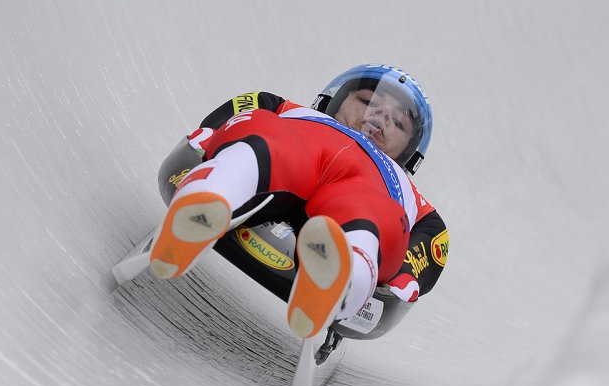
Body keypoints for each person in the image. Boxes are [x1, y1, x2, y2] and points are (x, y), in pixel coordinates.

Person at [149, 64, 448, 339]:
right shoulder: (288, 110)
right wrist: (208, 138)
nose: (381, 115)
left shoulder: (405, 188)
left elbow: (432, 240)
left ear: (409, 151)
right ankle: (211, 198)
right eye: (368, 101)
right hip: (303, 144)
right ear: (337, 99)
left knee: (377, 214)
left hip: (370, 184)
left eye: (398, 121)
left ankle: (343, 276)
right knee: (265, 140)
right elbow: (233, 117)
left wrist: (403, 279)